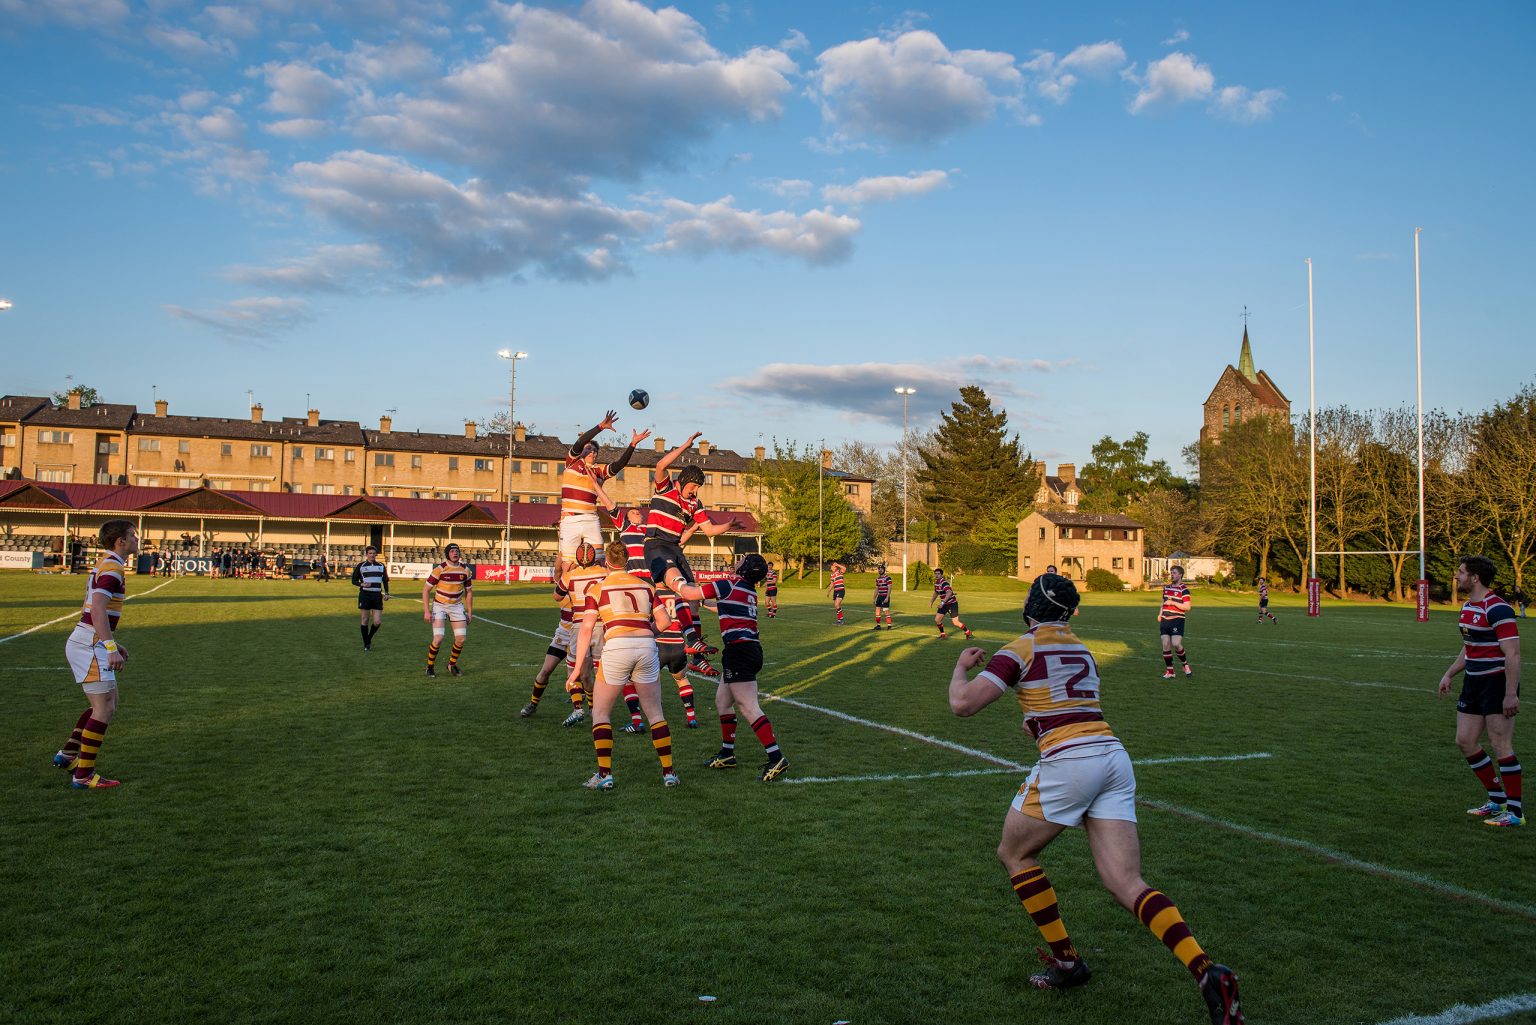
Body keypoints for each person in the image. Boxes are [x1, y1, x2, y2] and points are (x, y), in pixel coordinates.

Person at [945, 574, 1243, 1024]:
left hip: (1072, 763)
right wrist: (1037, 725)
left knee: (1014, 853)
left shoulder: (1020, 647)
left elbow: (963, 705)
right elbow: (1069, 708)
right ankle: (1206, 970)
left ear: (1030, 608)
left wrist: (960, 667)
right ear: (1070, 613)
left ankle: (1068, 962)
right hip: (1113, 757)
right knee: (1127, 882)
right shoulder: (1083, 650)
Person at [668, 553, 788, 782]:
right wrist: (702, 601)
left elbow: (689, 593)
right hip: (745, 649)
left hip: (740, 651)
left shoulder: (729, 584)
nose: (738, 561)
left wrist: (674, 579)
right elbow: (719, 605)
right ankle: (727, 754)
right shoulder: (746, 589)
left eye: (742, 560)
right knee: (723, 703)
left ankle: (776, 757)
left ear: (745, 569)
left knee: (748, 706)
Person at [569, 542, 678, 790]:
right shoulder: (645, 586)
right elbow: (665, 621)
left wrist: (577, 669)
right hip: (646, 647)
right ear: (627, 561)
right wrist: (643, 631)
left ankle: (605, 775)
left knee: (600, 713)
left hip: (617, 647)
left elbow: (586, 627)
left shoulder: (598, 588)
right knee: (655, 713)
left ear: (606, 562)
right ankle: (669, 773)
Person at [53, 519, 140, 789]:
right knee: (104, 708)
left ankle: (67, 755)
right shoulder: (113, 567)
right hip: (90, 644)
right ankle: (84, 775)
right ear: (120, 542)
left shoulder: (107, 563)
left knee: (104, 704)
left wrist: (110, 641)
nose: (137, 540)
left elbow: (89, 606)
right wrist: (108, 647)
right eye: (133, 536)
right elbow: (98, 609)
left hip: (90, 640)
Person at [1438, 555, 1523, 828]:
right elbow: (1469, 647)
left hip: (1497, 683)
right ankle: (1496, 800)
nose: (1456, 576)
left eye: (1461, 572)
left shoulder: (1498, 609)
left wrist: (1511, 693)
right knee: (1465, 741)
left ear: (1475, 578)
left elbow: (1513, 654)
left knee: (1501, 745)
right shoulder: (1466, 607)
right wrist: (1450, 673)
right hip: (1473, 682)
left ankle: (1515, 813)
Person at [557, 411, 647, 580]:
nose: (592, 452)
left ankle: (597, 597)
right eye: (589, 449)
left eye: (595, 450)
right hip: (570, 519)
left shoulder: (599, 472)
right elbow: (580, 442)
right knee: (567, 565)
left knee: (598, 562)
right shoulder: (572, 462)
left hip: (591, 518)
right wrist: (600, 427)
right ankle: (568, 601)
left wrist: (632, 444)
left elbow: (620, 464)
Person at [556, 540, 609, 725]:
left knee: (574, 669)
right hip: (600, 623)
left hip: (579, 624)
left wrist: (565, 571)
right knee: (599, 671)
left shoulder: (570, 575)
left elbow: (557, 596)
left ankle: (578, 708)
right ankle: (598, 711)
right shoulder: (604, 573)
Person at [421, 542, 472, 678]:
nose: (455, 553)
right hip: (439, 606)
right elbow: (426, 590)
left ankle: (451, 665)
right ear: (447, 554)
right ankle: (430, 667)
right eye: (452, 551)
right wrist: (427, 611)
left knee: (461, 639)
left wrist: (470, 612)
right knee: (438, 639)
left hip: (457, 606)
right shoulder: (440, 569)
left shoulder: (466, 570)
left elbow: (469, 592)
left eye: (457, 551)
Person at [351, 545, 390, 651]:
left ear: (376, 554)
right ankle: (366, 644)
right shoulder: (361, 566)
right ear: (366, 554)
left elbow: (385, 581)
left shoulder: (381, 566)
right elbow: (353, 580)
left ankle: (368, 638)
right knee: (365, 620)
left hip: (377, 596)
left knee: (377, 622)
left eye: (374, 553)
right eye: (370, 553)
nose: (372, 555)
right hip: (365, 595)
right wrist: (362, 584)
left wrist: (386, 592)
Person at [1158, 565, 1192, 679]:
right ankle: (1170, 671)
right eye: (1171, 572)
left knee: (1176, 643)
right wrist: (1160, 613)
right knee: (1166, 645)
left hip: (1177, 619)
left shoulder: (1184, 590)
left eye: (1174, 573)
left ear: (1180, 574)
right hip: (1165, 619)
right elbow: (1163, 602)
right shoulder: (1166, 588)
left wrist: (1173, 603)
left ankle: (1185, 664)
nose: (1172, 574)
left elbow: (1187, 607)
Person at [929, 568, 974, 640]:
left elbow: (949, 593)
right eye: (935, 574)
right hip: (944, 604)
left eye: (938, 574)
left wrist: (942, 602)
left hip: (952, 604)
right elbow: (936, 592)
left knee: (955, 622)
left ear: (941, 575)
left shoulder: (944, 583)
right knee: (937, 620)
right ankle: (943, 635)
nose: (936, 575)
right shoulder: (936, 583)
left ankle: (968, 632)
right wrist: (931, 601)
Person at [873, 564, 894, 629]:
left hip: (885, 596)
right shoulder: (877, 579)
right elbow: (877, 589)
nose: (880, 570)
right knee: (877, 611)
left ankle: (889, 625)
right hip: (879, 596)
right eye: (879, 569)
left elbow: (889, 588)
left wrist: (887, 597)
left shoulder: (888, 578)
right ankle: (878, 625)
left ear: (884, 570)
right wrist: (874, 598)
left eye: (881, 569)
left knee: (885, 611)